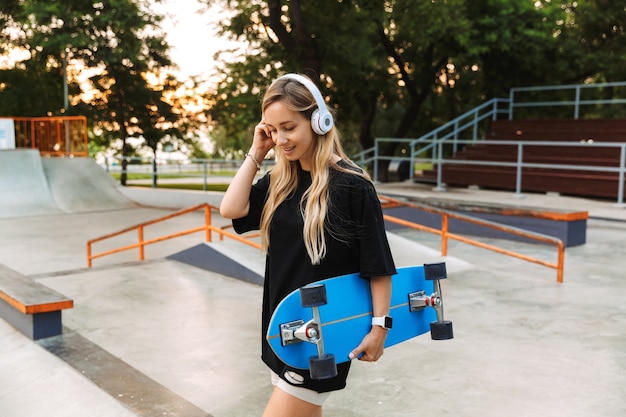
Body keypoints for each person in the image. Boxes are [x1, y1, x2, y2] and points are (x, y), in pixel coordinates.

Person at [220, 73, 396, 417]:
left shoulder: (352, 187)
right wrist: (257, 151)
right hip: (281, 327)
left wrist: (379, 328)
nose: (281, 139)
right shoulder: (280, 181)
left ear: (319, 120)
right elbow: (231, 209)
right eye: (272, 130)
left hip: (323, 333)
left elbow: (377, 264)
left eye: (289, 127)